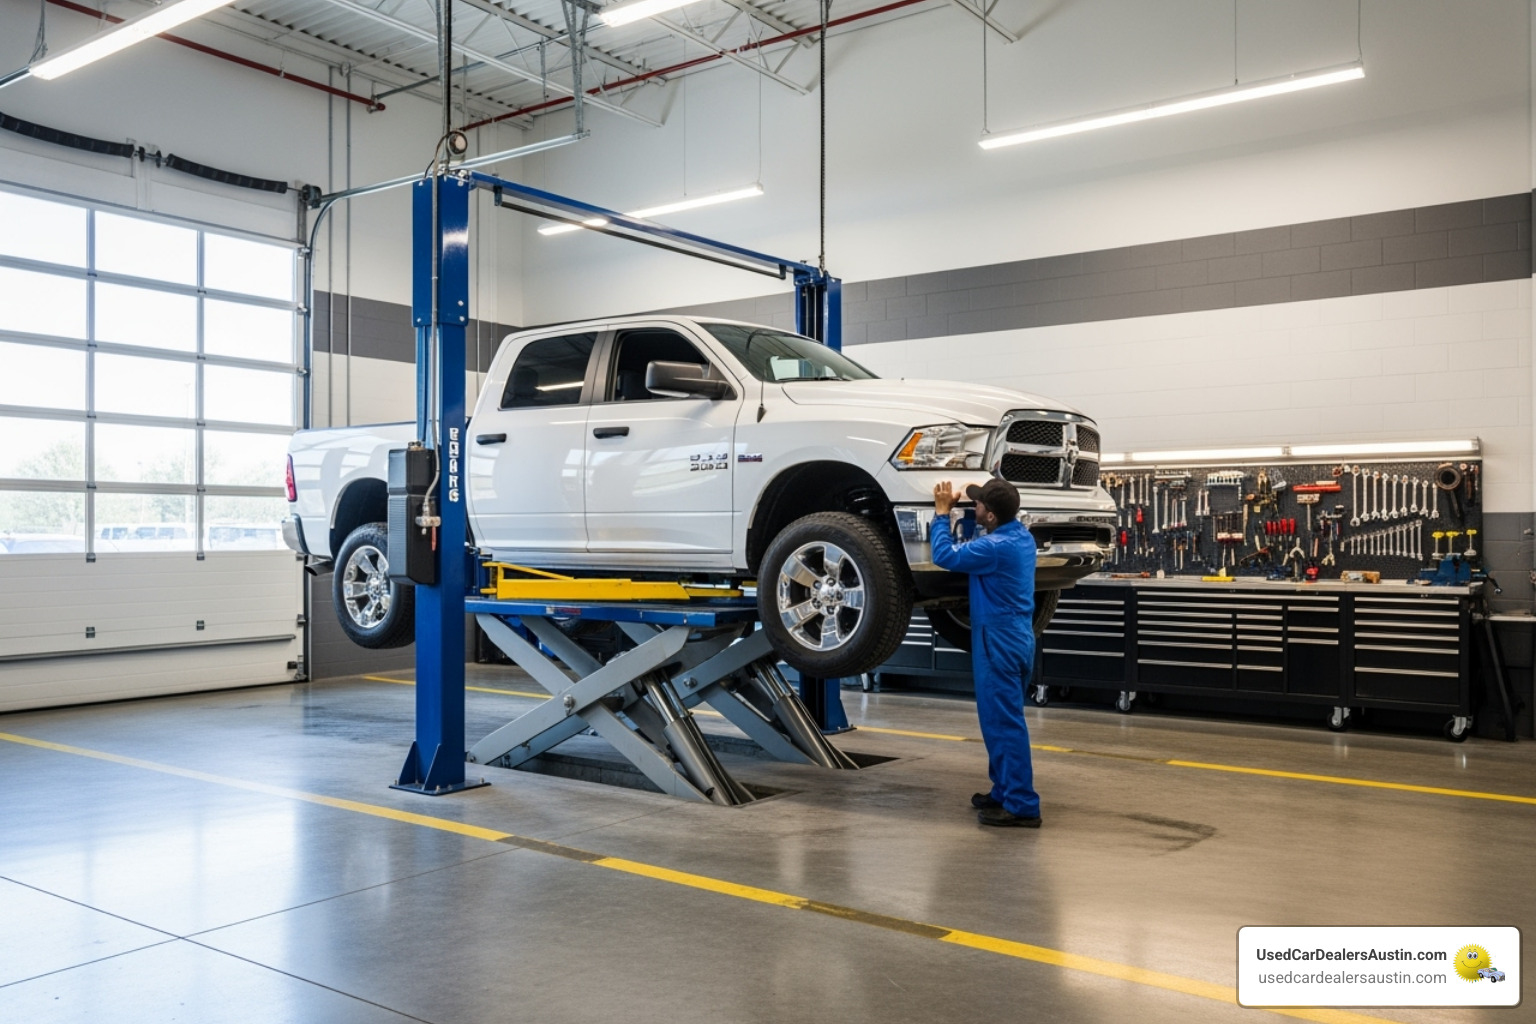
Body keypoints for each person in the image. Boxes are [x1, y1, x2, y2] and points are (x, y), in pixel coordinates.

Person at [930, 478, 1042, 828]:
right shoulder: (1020, 537)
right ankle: (1003, 790)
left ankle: (1022, 806)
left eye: (978, 506)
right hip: (1015, 635)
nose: (973, 508)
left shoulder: (994, 548)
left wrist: (941, 513)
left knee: (1005, 724)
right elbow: (980, 542)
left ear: (991, 516)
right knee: (998, 721)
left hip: (998, 639)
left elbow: (944, 556)